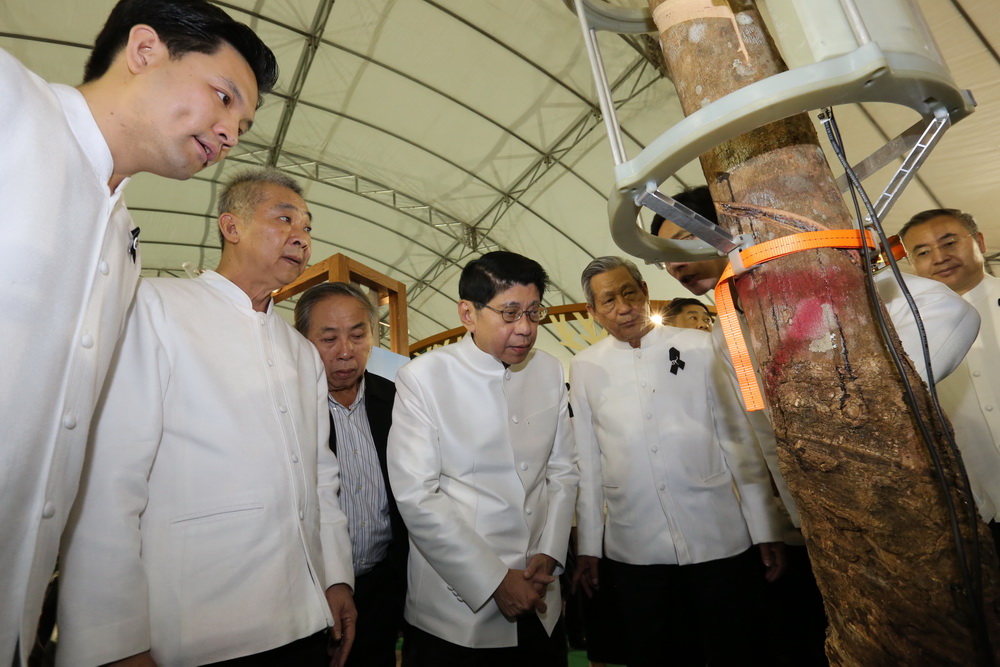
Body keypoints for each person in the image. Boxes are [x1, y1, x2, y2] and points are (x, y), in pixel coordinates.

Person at [0, 2, 277, 662]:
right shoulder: (11, 105)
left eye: (241, 124)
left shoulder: (124, 247)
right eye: (222, 96)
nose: (230, 133)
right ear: (146, 48)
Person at [57, 169, 355, 667]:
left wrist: (336, 579)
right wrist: (112, 640)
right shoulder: (154, 308)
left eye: (307, 228)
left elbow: (321, 479)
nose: (301, 238)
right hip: (199, 628)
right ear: (230, 227)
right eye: (285, 219)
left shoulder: (300, 352)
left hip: (303, 619)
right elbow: (108, 480)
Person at [571, 256, 786, 666]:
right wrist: (589, 548)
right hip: (635, 548)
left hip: (718, 537)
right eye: (608, 300)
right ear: (593, 312)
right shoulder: (584, 367)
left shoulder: (698, 347)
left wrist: (764, 529)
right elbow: (589, 463)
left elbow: (736, 440)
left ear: (645, 292)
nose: (623, 307)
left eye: (629, 293)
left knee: (734, 649)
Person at [387, 251, 579, 667]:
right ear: (468, 314)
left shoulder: (548, 370)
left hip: (540, 591)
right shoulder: (424, 378)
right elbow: (417, 495)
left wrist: (549, 552)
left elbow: (562, 471)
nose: (525, 329)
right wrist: (494, 581)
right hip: (457, 610)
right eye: (510, 314)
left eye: (533, 312)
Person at [295, 282, 408, 667]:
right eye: (329, 339)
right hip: (309, 592)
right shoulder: (289, 411)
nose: (345, 351)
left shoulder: (399, 402)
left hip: (382, 587)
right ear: (302, 341)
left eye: (358, 335)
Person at [899, 209, 1000, 547]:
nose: (940, 258)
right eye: (923, 252)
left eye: (949, 242)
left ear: (980, 242)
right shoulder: (906, 336)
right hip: (979, 510)